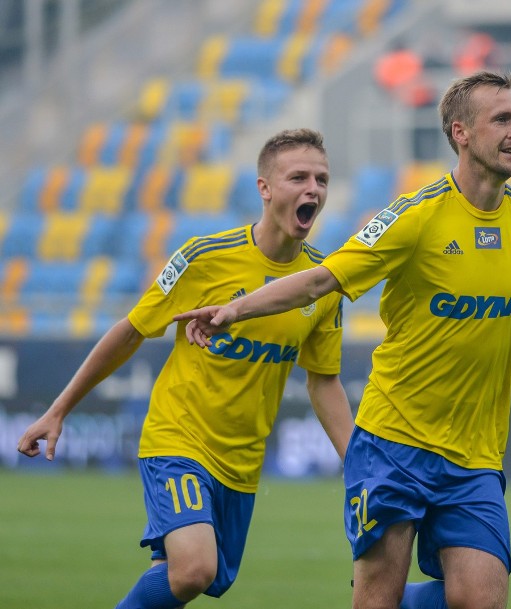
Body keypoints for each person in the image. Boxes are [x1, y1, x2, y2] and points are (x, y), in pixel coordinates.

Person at [174, 71, 511, 609]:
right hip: (393, 445)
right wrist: (235, 309)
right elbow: (322, 279)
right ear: (460, 132)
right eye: (502, 119)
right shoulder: (415, 216)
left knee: (482, 601)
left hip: (475, 457)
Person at [16, 128, 354, 609]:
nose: (313, 190)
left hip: (241, 464)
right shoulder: (204, 258)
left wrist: (359, 463)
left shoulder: (321, 285)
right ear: (264, 188)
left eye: (321, 179)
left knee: (180, 577)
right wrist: (58, 410)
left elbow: (323, 380)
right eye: (298, 177)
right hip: (178, 440)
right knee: (196, 568)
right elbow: (132, 329)